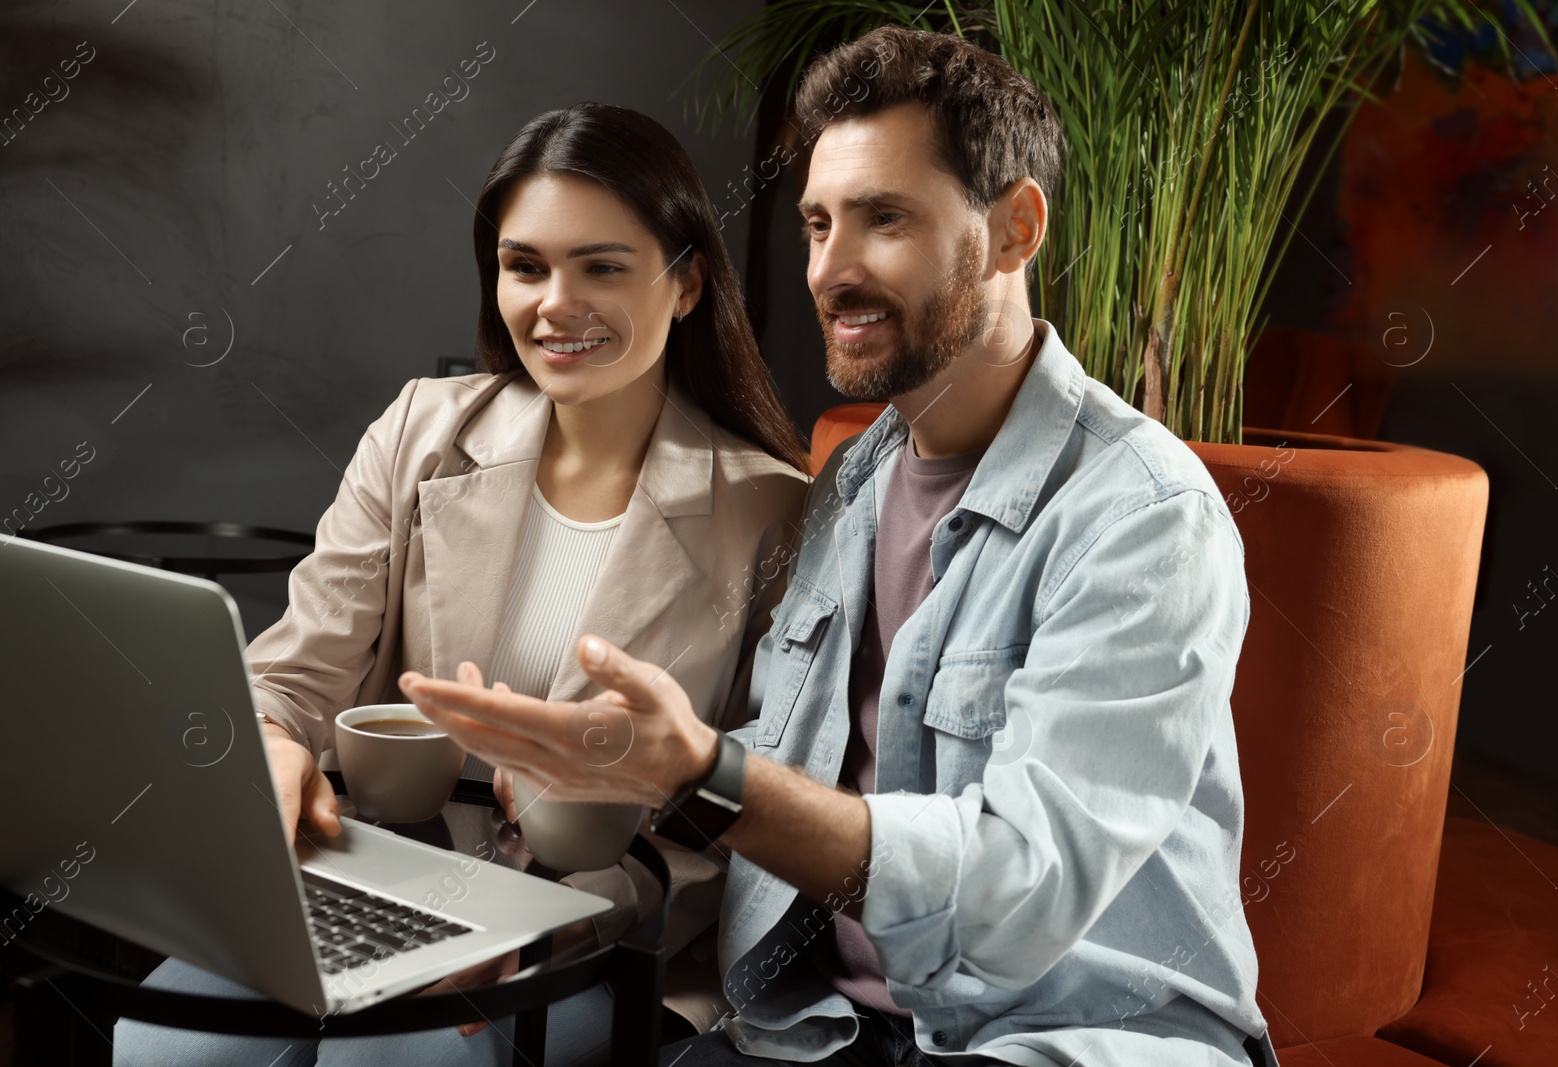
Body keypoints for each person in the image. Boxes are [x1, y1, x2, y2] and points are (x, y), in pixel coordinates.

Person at [398, 25, 1283, 1067]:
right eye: (817, 223)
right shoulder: (849, 488)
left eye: (884, 220)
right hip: (819, 1025)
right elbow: (780, 775)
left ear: (1014, 230)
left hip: (1070, 1033)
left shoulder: (1141, 515)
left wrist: (702, 774)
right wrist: (605, 785)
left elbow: (1018, 890)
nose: (830, 268)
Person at [112, 101, 810, 1067]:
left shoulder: (773, 510)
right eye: (526, 266)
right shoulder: (419, 431)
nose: (554, 303)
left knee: (393, 1062)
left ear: (686, 283)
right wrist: (271, 739)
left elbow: (744, 806)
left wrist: (549, 927)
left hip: (592, 930)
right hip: (375, 877)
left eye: (602, 265)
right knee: (166, 1046)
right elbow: (298, 668)